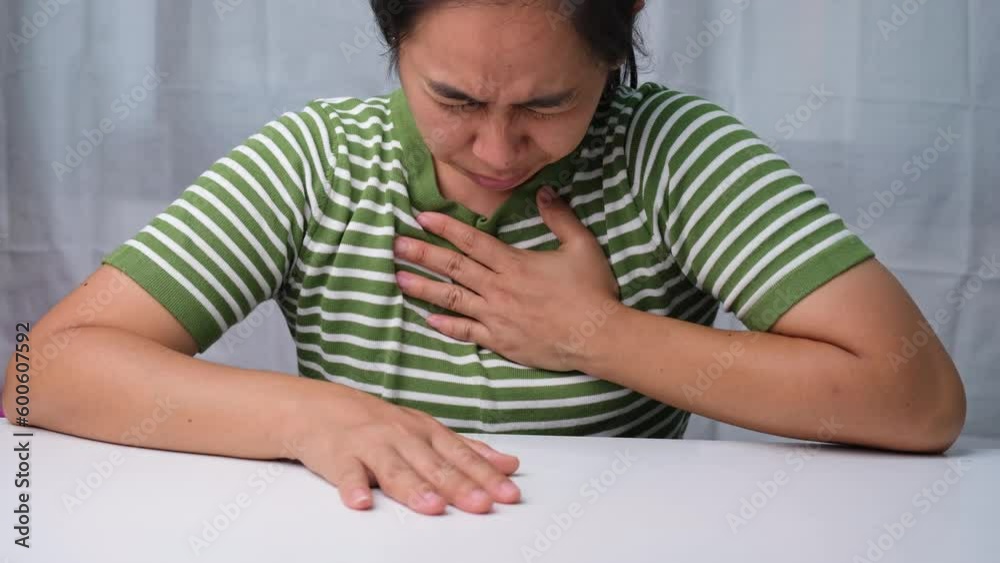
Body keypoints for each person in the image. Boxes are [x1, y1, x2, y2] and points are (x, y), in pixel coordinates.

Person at [2, 0, 966, 517]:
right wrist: (312, 413)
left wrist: (598, 335)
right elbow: (41, 370)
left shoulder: (673, 151)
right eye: (456, 100)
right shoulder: (319, 158)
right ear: (394, 41)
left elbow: (915, 399)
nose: (499, 152)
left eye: (549, 104)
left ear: (620, 35)